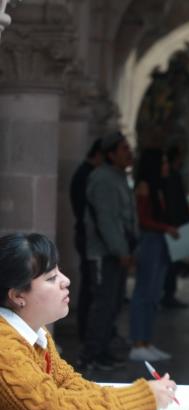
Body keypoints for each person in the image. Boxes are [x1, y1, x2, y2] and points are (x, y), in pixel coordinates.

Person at [0, 233, 177, 410]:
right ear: (18, 295)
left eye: (59, 272)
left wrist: (142, 395)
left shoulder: (34, 333)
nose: (66, 281)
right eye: (51, 278)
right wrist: (140, 399)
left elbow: (72, 386)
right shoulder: (3, 347)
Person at [78, 131, 137, 371]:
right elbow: (107, 219)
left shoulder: (118, 176)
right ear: (111, 154)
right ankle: (90, 354)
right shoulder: (102, 178)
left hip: (117, 252)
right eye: (124, 149)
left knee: (112, 304)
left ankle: (102, 350)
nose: (129, 153)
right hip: (105, 253)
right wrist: (120, 250)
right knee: (102, 305)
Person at [129, 150, 178, 362]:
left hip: (159, 240)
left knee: (153, 294)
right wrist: (166, 228)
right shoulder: (144, 187)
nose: (167, 166)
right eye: (164, 162)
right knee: (144, 293)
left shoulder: (159, 188)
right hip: (150, 240)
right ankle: (138, 342)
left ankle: (146, 341)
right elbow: (144, 219)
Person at [69, 138, 103, 341]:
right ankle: (87, 334)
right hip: (88, 237)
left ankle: (88, 333)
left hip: (86, 235)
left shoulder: (87, 173)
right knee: (90, 288)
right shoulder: (87, 175)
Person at [161, 145, 189, 309]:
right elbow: (175, 202)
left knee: (175, 261)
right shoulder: (171, 177)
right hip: (173, 225)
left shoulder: (173, 176)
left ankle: (168, 293)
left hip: (175, 224)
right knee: (172, 262)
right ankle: (167, 294)